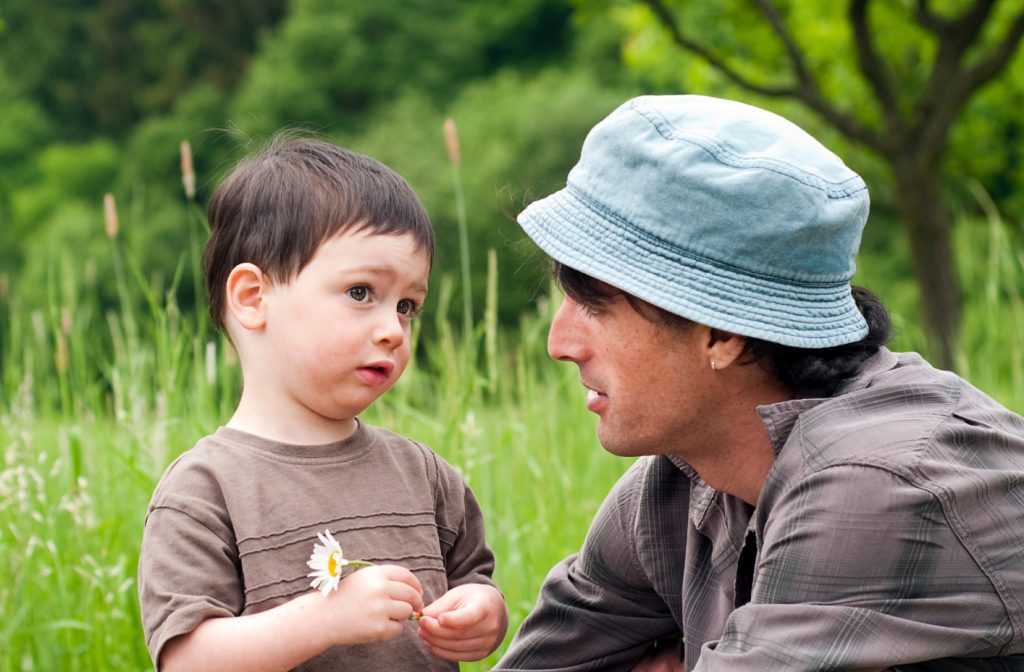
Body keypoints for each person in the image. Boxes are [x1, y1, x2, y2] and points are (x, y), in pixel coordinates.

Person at [494, 95, 1024, 671]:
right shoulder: (679, 481)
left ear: (722, 333)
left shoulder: (878, 483)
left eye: (595, 306)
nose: (559, 343)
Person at [138, 137, 507, 671]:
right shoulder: (203, 492)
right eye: (361, 292)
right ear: (252, 297)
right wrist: (323, 619)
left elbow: (473, 578)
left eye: (407, 306)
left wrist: (482, 613)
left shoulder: (425, 475)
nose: (392, 330)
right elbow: (188, 661)